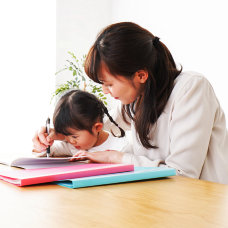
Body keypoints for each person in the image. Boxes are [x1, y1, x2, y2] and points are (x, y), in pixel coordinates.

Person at [33, 22, 228, 184]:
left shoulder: (191, 89)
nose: (105, 91)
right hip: (157, 199)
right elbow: (96, 126)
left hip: (202, 204)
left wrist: (116, 158)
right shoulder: (137, 98)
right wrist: (58, 134)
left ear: (141, 75)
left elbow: (182, 174)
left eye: (109, 84)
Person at [32, 89, 127, 158]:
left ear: (97, 127)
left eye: (74, 136)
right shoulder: (74, 146)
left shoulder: (120, 147)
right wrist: (43, 143)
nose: (70, 140)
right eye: (66, 135)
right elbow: (46, 152)